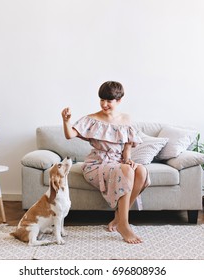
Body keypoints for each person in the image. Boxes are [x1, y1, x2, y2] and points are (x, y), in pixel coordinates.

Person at [61, 81, 150, 244]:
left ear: (119, 101)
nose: (104, 104)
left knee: (141, 171)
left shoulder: (126, 119)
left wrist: (128, 160)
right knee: (127, 171)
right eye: (102, 99)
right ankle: (124, 224)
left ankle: (118, 217)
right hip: (97, 164)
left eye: (109, 100)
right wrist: (66, 121)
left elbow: (127, 146)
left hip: (118, 163)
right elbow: (69, 135)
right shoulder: (92, 119)